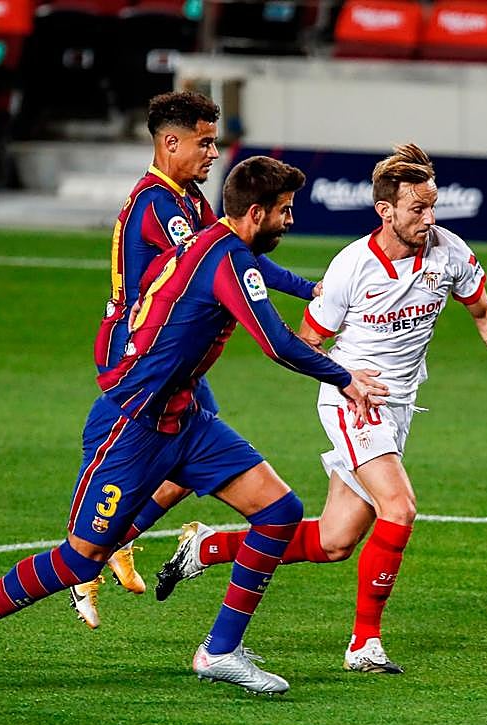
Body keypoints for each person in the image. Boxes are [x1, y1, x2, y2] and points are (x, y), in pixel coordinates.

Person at [0, 156, 388, 697]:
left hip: (185, 421)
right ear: (256, 214)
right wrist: (345, 377)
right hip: (132, 428)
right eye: (284, 212)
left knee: (279, 510)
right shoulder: (225, 260)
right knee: (78, 560)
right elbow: (276, 343)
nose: (290, 221)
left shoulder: (217, 243)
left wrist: (315, 291)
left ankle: (220, 651)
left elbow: (255, 281)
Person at [154, 143, 487, 674]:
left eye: (433, 206)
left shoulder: (449, 252)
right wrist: (345, 382)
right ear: (385, 211)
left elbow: (483, 312)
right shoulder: (351, 267)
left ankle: (206, 548)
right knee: (400, 507)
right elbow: (305, 340)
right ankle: (364, 645)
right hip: (352, 403)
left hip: (399, 407)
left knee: (335, 540)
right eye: (418, 209)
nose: (429, 219)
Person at [72, 90, 320, 628]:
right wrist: (309, 296)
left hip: (173, 358)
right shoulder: (157, 204)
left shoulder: (188, 200)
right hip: (146, 356)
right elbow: (221, 266)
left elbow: (236, 256)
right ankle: (90, 561)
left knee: (190, 458)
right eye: (205, 142)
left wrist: (309, 289)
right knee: (184, 452)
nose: (213, 153)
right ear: (170, 142)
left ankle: (112, 543)